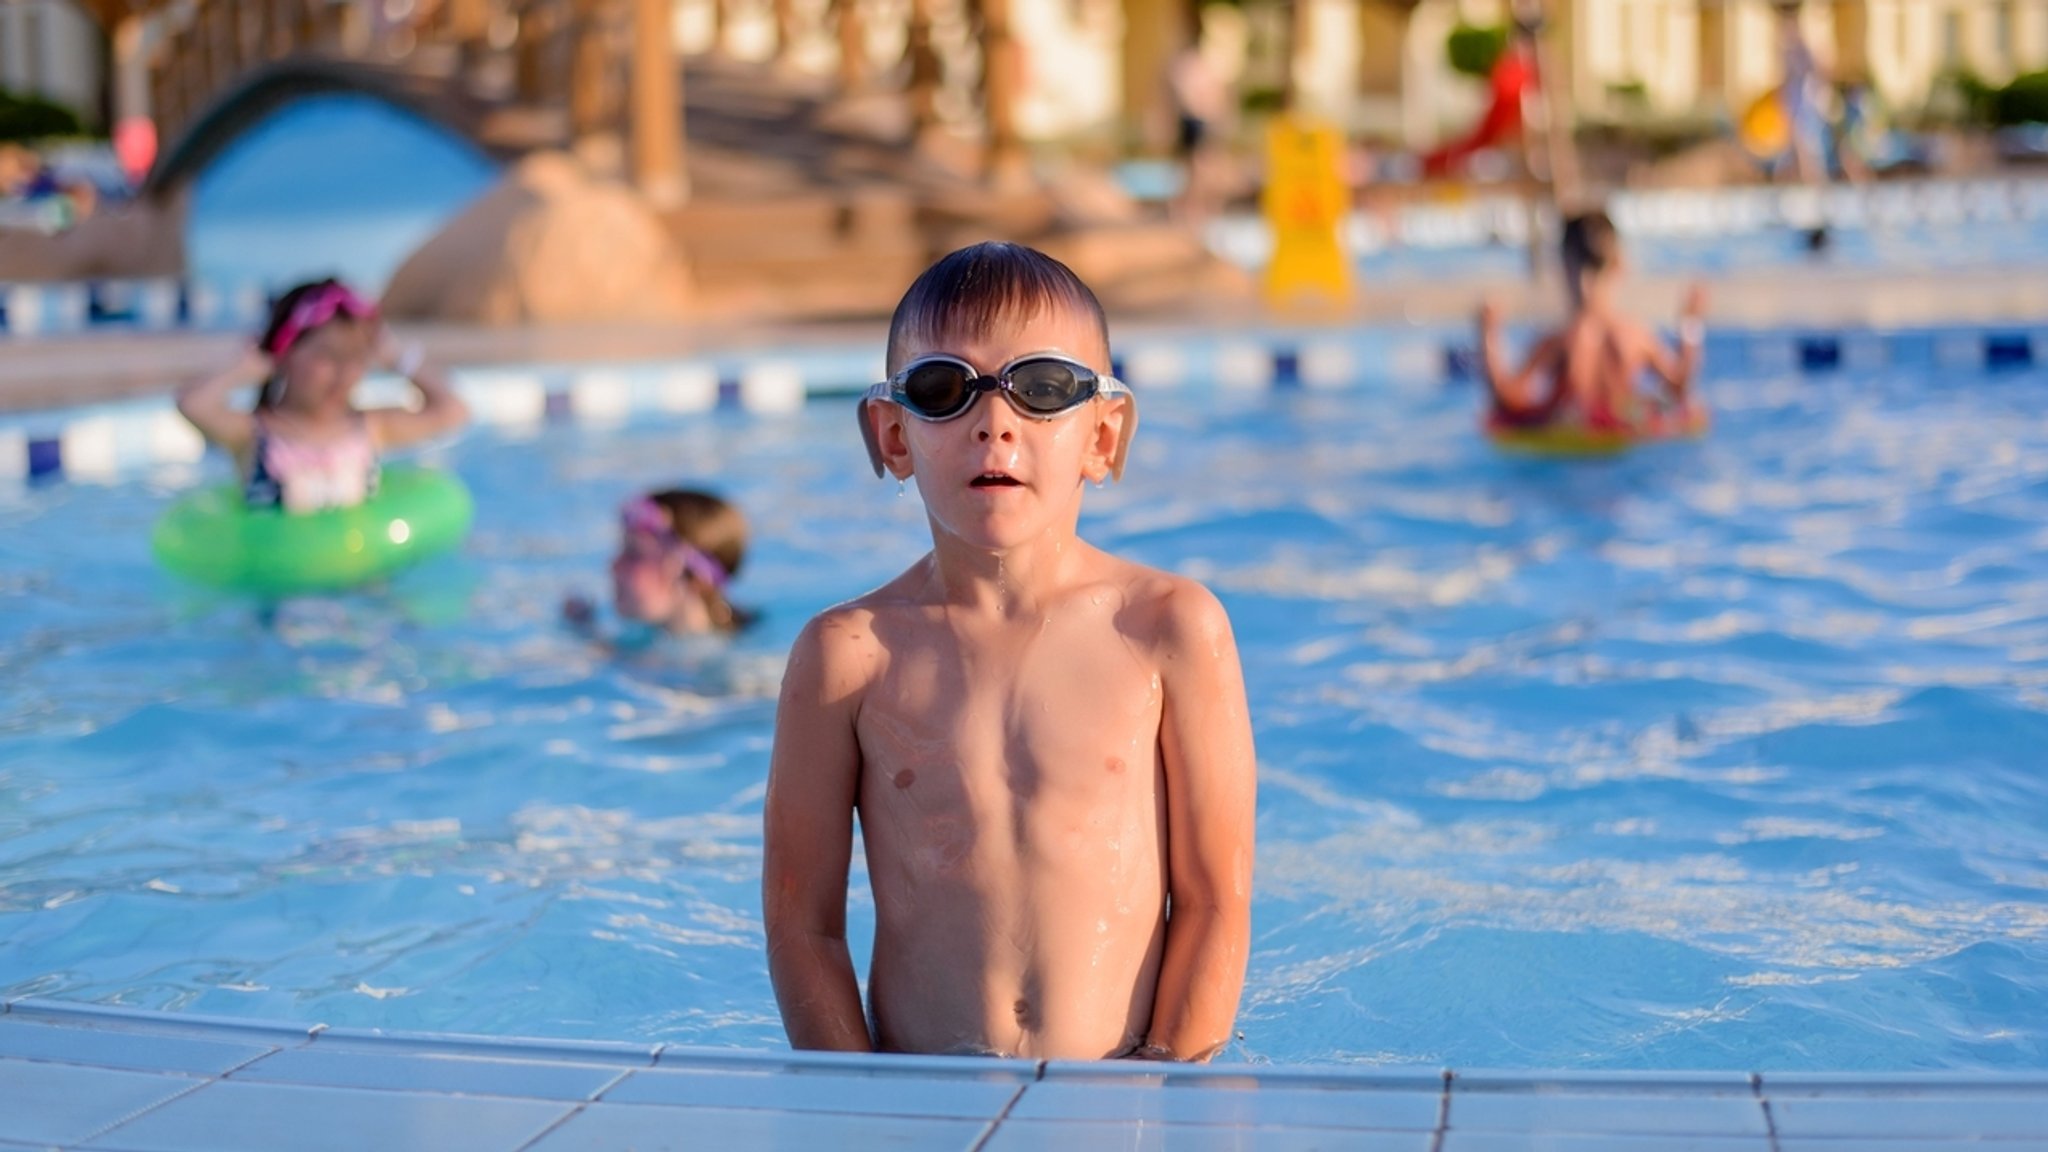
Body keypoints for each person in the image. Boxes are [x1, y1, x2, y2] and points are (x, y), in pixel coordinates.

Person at [762, 241, 1257, 1061]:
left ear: (1104, 436)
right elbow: (800, 921)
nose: (995, 422)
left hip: (1122, 1098)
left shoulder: (1168, 629)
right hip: (917, 1104)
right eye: (944, 390)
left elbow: (1216, 901)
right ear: (892, 436)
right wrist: (853, 1106)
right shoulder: (848, 656)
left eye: (1043, 388)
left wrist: (1166, 1094)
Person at [176, 278, 469, 512]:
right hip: (281, 585)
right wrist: (247, 368)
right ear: (285, 354)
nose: (343, 373)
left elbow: (453, 410)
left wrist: (397, 358)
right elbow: (192, 405)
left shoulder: (371, 427)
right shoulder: (254, 433)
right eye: (326, 356)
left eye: (356, 357)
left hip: (361, 582)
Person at [1477, 210, 1707, 433]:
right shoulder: (1636, 336)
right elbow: (1679, 388)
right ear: (1619, 266)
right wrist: (1690, 325)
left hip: (1571, 442)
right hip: (1625, 440)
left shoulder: (1559, 341)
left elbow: (1506, 398)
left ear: (1564, 266)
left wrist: (1489, 332)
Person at [562, 488, 754, 637]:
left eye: (634, 554)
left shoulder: (728, 677)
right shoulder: (644, 644)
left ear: (694, 576)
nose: (613, 565)